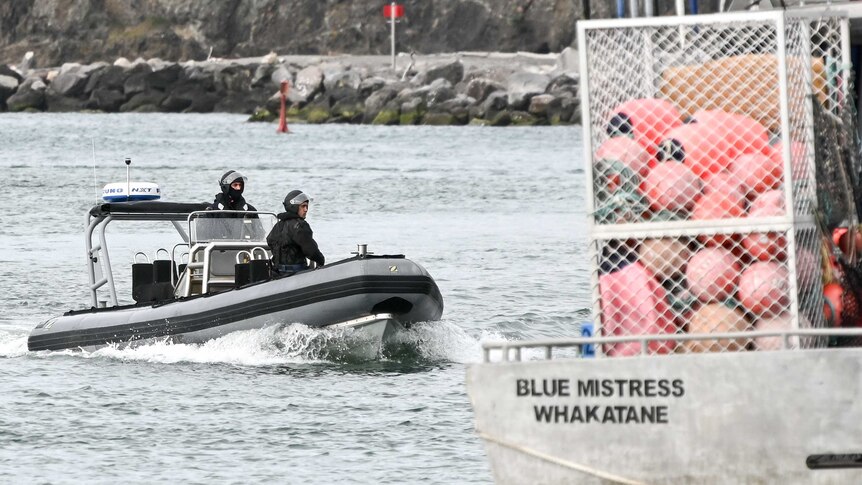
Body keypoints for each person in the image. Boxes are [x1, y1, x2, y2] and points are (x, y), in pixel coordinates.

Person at [267, 189, 325, 275]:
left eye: (307, 206)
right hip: (297, 273)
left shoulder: (278, 225)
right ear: (294, 207)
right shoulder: (300, 226)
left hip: (279, 273)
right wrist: (321, 260)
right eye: (303, 206)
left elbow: (269, 240)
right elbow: (311, 251)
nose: (306, 210)